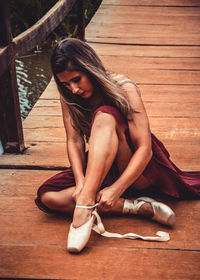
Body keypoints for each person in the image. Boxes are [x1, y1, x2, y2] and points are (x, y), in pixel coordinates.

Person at [35, 38, 200, 253]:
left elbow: (145, 149)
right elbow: (74, 140)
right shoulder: (68, 95)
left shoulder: (124, 87)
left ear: (90, 68)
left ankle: (85, 207)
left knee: (105, 115)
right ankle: (133, 207)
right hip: (102, 160)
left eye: (77, 79)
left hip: (137, 167)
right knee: (49, 197)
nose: (73, 89)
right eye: (66, 84)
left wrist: (116, 189)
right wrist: (81, 181)